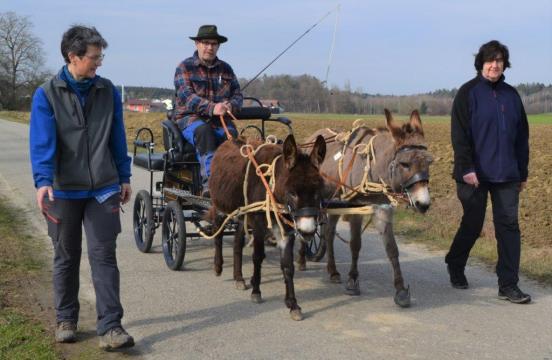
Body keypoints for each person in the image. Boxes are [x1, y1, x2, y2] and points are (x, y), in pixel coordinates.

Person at [29, 25, 135, 349]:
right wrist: (43, 182)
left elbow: (117, 136)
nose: (98, 63)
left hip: (103, 187)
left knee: (104, 255)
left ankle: (111, 327)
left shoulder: (107, 91)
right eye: (93, 57)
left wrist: (124, 175)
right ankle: (66, 318)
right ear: (72, 57)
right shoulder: (47, 94)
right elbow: (42, 143)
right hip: (62, 189)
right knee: (66, 255)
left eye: (100, 56)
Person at [445, 40, 530, 304]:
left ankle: (508, 284)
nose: (495, 65)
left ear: (505, 64)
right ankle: (455, 263)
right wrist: (467, 168)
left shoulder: (512, 95)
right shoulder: (467, 93)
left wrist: (522, 172)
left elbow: (521, 136)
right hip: (474, 175)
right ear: (481, 63)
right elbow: (459, 136)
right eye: (490, 60)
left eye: (499, 60)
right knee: (473, 224)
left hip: (507, 174)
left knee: (509, 227)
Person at [173, 24, 243, 197]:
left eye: (213, 44)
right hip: (190, 119)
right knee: (205, 132)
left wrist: (230, 106)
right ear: (197, 44)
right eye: (205, 43)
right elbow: (187, 97)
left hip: (220, 122)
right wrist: (213, 108)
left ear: (218, 46)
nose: (209, 47)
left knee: (234, 139)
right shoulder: (184, 68)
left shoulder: (226, 69)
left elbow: (238, 95)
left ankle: (233, 185)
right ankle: (210, 185)